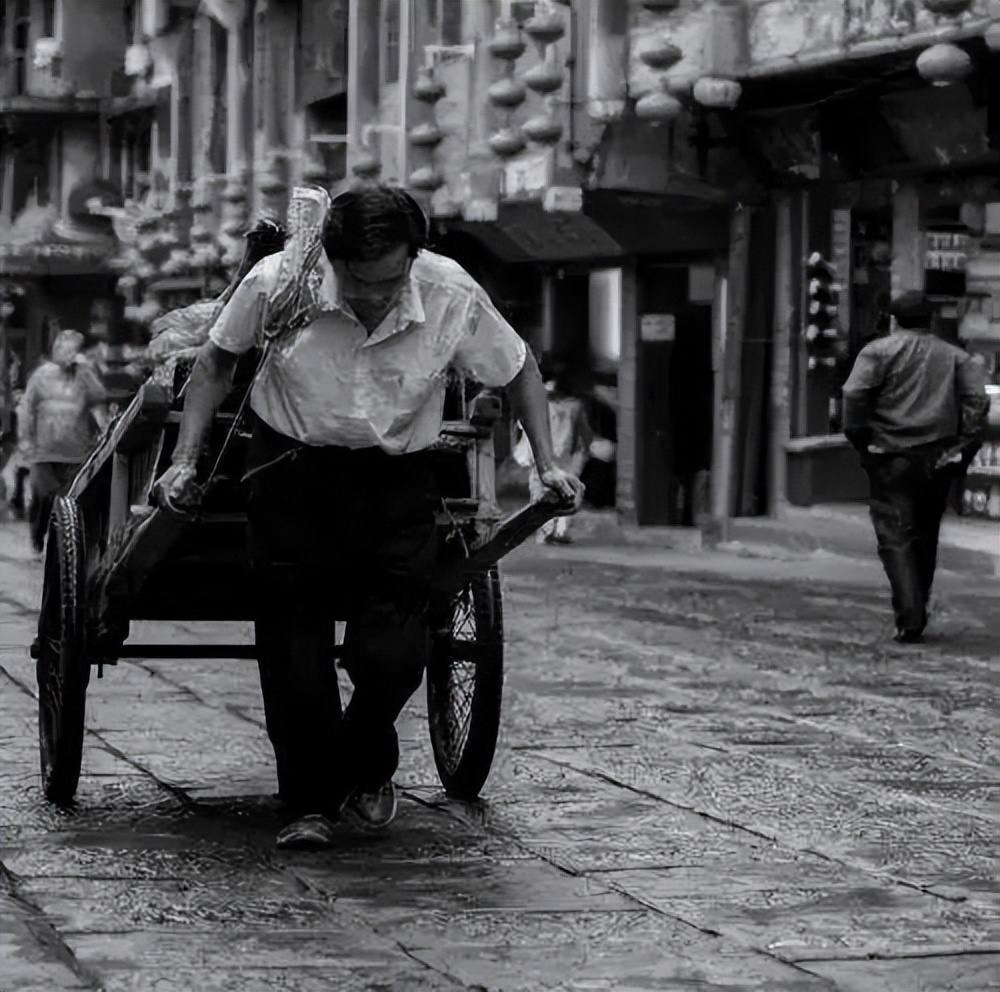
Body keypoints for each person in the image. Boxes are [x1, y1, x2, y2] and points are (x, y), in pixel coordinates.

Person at [153, 183, 584, 850]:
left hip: (396, 482)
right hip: (289, 473)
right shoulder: (281, 282)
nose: (374, 299)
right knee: (294, 650)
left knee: (392, 653)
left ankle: (361, 764)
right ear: (332, 256)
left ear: (414, 256)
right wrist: (185, 459)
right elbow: (215, 363)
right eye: (358, 282)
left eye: (389, 282)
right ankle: (307, 805)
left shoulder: (451, 291)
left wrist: (547, 464)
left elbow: (518, 368)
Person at [841, 290, 989, 644]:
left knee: (896, 537)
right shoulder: (956, 357)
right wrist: (964, 447)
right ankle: (916, 607)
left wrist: (863, 440)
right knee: (925, 535)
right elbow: (977, 402)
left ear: (893, 321)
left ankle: (910, 616)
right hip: (938, 457)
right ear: (931, 322)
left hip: (891, 454)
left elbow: (853, 395)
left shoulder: (878, 352)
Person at [17, 330, 108, 556]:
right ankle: (37, 542)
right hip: (44, 450)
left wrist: (86, 370)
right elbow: (26, 408)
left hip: (76, 451)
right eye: (62, 348)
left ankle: (61, 550)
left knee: (69, 503)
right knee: (41, 498)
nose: (66, 353)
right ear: (55, 350)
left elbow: (99, 398)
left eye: (71, 349)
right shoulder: (41, 375)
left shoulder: (84, 375)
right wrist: (25, 440)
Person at [514, 360, 592, 544]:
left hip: (549, 454)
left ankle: (550, 530)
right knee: (563, 492)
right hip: (561, 454)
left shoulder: (538, 403)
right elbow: (585, 435)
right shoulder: (574, 406)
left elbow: (523, 428)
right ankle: (555, 530)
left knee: (545, 491)